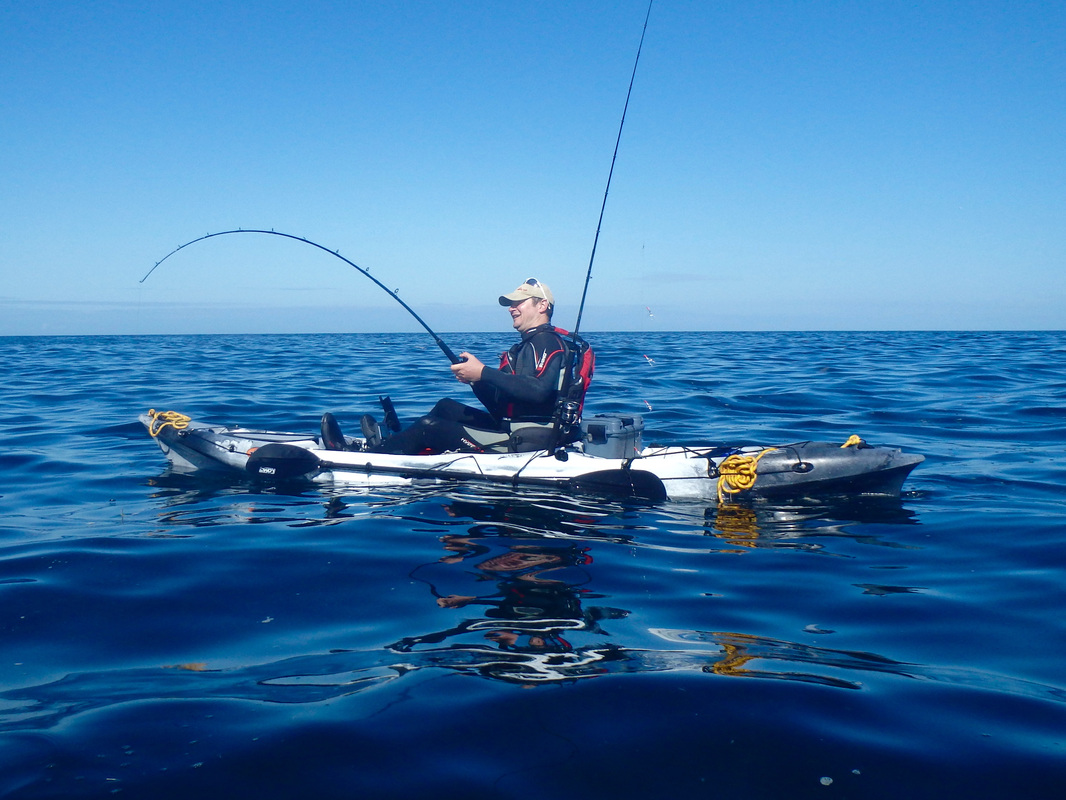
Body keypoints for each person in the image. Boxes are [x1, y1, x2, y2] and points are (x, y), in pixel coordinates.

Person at [358, 278, 590, 455]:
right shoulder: (530, 344)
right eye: (510, 304)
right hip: (516, 428)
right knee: (446, 407)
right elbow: (503, 406)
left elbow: (538, 392)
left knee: (427, 427)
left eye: (518, 303)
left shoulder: (545, 341)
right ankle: (399, 444)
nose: (511, 308)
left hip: (527, 439)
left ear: (542, 306)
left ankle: (378, 454)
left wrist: (484, 372)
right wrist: (477, 380)